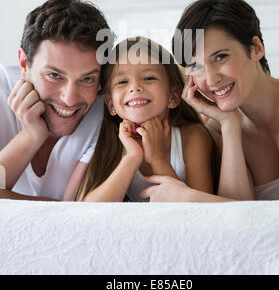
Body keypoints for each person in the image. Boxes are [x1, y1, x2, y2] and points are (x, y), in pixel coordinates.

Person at [140, 0, 279, 202]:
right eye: (196, 67)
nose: (211, 79)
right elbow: (233, 224)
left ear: (256, 48)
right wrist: (229, 126)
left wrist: (189, 198)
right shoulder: (217, 129)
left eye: (220, 57)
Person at [73, 37, 217, 202]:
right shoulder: (115, 142)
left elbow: (200, 211)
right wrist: (132, 156)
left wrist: (157, 158)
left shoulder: (193, 136)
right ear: (111, 104)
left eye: (149, 78)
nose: (135, 87)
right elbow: (91, 211)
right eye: (122, 81)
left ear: (173, 96)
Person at [0, 0, 113, 201]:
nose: (69, 99)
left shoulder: (106, 110)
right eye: (54, 75)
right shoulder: (1, 93)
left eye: (87, 79)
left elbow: (77, 213)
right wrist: (31, 136)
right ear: (24, 64)